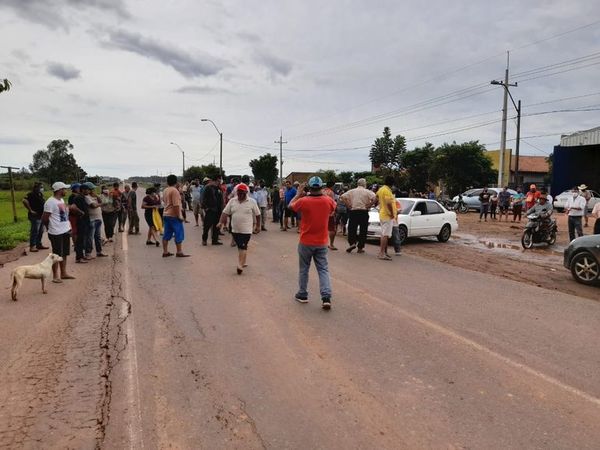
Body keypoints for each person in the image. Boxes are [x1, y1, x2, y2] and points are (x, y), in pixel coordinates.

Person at [289, 177, 336, 310]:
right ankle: (326, 297)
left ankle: (303, 294)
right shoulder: (328, 200)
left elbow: (290, 205)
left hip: (306, 241)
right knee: (323, 269)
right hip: (322, 242)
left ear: (309, 188)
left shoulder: (303, 201)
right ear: (321, 187)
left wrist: (298, 194)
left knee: (304, 269)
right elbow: (333, 208)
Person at [219, 183, 261, 274]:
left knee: (242, 246)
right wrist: (220, 222)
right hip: (235, 229)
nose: (240, 195)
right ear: (237, 192)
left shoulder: (252, 201)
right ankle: (243, 261)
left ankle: (240, 265)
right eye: (239, 193)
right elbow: (225, 212)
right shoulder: (232, 201)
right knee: (241, 247)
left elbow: (258, 215)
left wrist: (258, 226)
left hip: (246, 229)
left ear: (246, 192)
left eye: (242, 193)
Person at [42, 182, 75, 282]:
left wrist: (68, 227)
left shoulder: (60, 200)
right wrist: (49, 228)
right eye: (65, 189)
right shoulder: (50, 202)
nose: (66, 191)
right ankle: (55, 276)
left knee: (64, 253)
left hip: (64, 230)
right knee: (56, 255)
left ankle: (63, 273)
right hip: (56, 232)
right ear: (60, 190)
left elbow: (63, 216)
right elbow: (44, 218)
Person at [341, 178, 376, 254]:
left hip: (354, 211)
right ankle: (360, 247)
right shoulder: (368, 192)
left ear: (357, 184)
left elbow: (343, 197)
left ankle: (352, 243)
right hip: (363, 211)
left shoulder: (352, 191)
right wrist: (369, 205)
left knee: (352, 228)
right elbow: (375, 198)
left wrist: (348, 205)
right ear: (364, 184)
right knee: (363, 230)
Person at [161, 174, 190, 257]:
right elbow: (176, 205)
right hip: (173, 215)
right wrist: (179, 216)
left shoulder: (165, 190)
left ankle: (165, 252)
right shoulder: (175, 191)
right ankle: (179, 251)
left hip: (166, 214)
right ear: (176, 181)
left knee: (166, 234)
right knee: (178, 233)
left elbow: (164, 201)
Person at [22, 182, 49, 253]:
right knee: (35, 231)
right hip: (35, 216)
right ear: (36, 188)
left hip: (41, 215)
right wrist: (30, 210)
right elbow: (24, 201)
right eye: (41, 187)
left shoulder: (40, 194)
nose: (42, 189)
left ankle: (38, 244)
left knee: (41, 231)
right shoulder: (31, 194)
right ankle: (32, 246)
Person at [376, 176, 397, 261]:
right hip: (387, 215)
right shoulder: (387, 191)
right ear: (392, 184)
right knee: (385, 235)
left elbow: (376, 197)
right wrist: (392, 214)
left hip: (382, 214)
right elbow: (388, 204)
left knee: (385, 234)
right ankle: (381, 253)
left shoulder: (381, 189)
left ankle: (384, 252)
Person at [84, 182, 107, 259]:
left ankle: (99, 252)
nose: (93, 190)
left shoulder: (94, 197)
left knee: (98, 237)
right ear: (89, 190)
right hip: (92, 219)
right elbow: (93, 206)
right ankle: (88, 253)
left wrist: (97, 196)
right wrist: (101, 204)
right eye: (92, 189)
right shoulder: (87, 197)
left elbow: (101, 202)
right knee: (90, 237)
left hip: (98, 218)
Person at [201, 177, 223, 246]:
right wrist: (206, 207)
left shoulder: (219, 188)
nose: (219, 182)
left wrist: (222, 209)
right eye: (218, 181)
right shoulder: (208, 188)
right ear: (214, 181)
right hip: (210, 209)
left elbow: (221, 199)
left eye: (220, 181)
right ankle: (204, 240)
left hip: (218, 210)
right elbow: (203, 198)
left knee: (216, 226)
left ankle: (215, 240)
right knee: (207, 226)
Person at [72, 182, 92, 263]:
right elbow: (75, 209)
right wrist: (81, 214)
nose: (88, 191)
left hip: (84, 221)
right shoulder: (79, 198)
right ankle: (78, 257)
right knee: (80, 240)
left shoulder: (82, 197)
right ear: (83, 190)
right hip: (81, 221)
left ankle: (81, 256)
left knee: (82, 239)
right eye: (87, 190)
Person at [323, 181, 338, 250]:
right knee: (332, 229)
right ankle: (331, 244)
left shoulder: (322, 191)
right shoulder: (331, 192)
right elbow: (332, 203)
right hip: (329, 213)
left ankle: (322, 243)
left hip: (321, 213)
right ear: (332, 186)